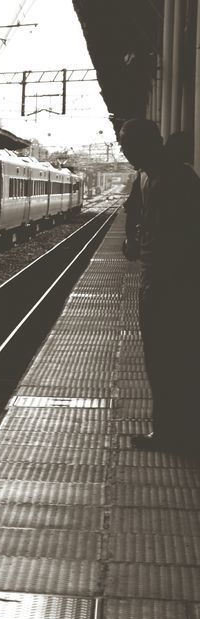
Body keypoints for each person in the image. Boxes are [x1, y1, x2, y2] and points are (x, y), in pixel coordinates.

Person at [116, 118, 200, 453]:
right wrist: (131, 238)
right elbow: (133, 211)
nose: (124, 154)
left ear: (148, 144)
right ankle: (167, 429)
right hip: (153, 278)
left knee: (173, 358)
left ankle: (176, 432)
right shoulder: (144, 175)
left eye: (128, 148)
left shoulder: (180, 178)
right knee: (158, 357)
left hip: (176, 282)